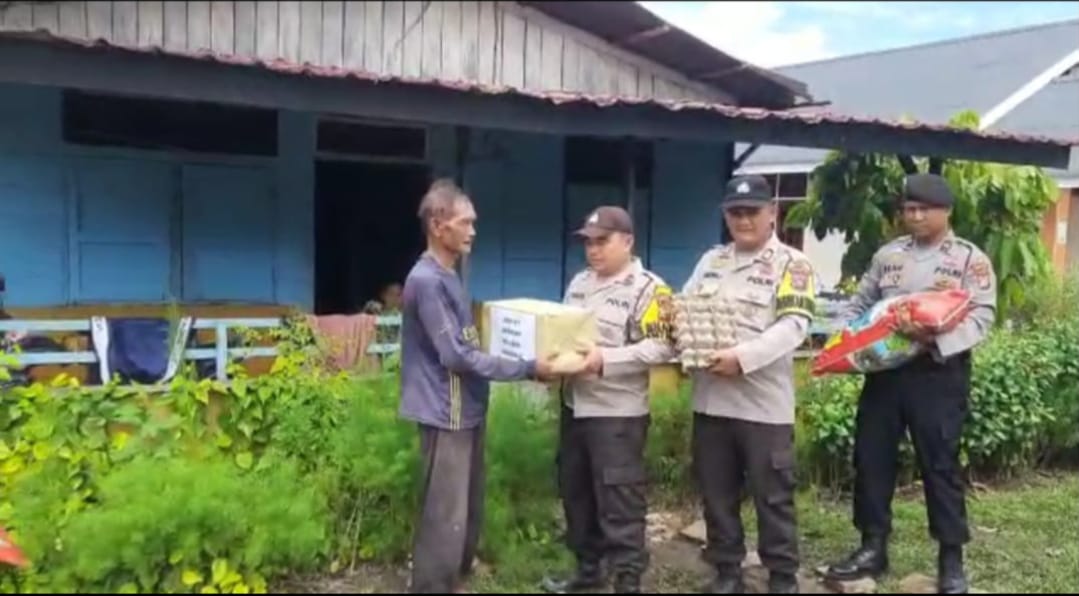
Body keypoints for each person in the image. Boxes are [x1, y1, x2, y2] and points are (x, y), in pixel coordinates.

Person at [824, 174, 997, 595]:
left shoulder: (968, 260)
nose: (915, 216)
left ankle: (951, 558)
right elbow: (859, 303)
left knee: (939, 465)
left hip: (937, 374)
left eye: (924, 209)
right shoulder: (888, 256)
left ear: (946, 212)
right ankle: (872, 546)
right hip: (885, 375)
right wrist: (850, 340)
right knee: (872, 458)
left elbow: (982, 316)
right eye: (909, 209)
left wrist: (933, 340)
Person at [398, 178, 556, 594]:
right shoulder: (426, 281)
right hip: (444, 409)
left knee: (466, 506)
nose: (473, 231)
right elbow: (455, 356)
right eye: (464, 222)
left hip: (465, 407)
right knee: (444, 510)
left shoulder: (449, 275)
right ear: (438, 224)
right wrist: (528, 367)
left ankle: (454, 581)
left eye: (473, 223)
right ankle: (433, 586)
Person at [680, 175, 817, 594]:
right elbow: (684, 311)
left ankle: (781, 577)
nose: (743, 220)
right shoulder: (711, 262)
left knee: (772, 498)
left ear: (772, 213)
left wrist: (742, 359)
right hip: (712, 403)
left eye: (752, 212)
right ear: (725, 215)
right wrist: (682, 346)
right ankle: (727, 572)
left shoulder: (794, 265)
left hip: (762, 407)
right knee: (717, 495)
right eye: (735, 213)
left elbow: (794, 327)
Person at [542, 207, 673, 595]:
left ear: (628, 241)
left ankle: (627, 580)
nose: (594, 251)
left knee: (620, 498)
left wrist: (606, 361)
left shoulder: (649, 289)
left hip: (617, 414)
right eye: (588, 242)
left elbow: (663, 347)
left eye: (603, 241)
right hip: (575, 407)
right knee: (576, 491)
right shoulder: (580, 283)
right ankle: (588, 572)